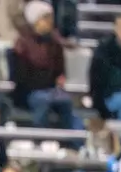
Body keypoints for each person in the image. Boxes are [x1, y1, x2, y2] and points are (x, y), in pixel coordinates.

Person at [13, 0, 73, 129]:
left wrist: (60, 78)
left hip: (51, 88)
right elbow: (20, 75)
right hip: (30, 91)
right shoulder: (23, 43)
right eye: (46, 18)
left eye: (50, 17)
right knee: (43, 100)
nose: (50, 21)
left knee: (66, 101)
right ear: (35, 21)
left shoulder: (54, 43)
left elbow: (60, 69)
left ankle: (70, 137)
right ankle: (40, 136)